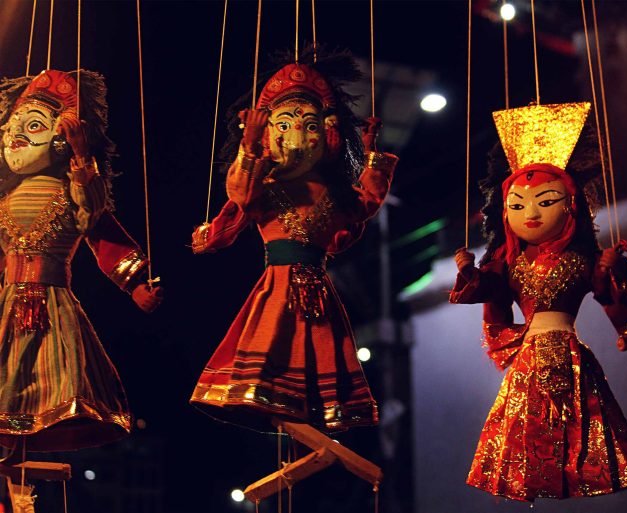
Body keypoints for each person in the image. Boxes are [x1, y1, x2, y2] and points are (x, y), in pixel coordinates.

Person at [451, 102, 627, 501]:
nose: (532, 214)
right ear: (503, 211)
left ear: (570, 205)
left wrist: (611, 268)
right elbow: (486, 292)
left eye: (546, 201)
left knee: (584, 426)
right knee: (525, 428)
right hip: (530, 356)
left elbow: (605, 288)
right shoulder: (507, 262)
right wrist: (469, 272)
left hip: (571, 353)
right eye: (519, 205)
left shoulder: (581, 259)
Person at [190, 50, 398, 431]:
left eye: (309, 125)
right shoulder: (264, 185)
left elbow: (363, 204)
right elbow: (240, 194)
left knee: (321, 353)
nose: (298, 138)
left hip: (319, 289)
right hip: (278, 285)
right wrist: (249, 145)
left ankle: (311, 421)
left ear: (328, 130)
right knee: (273, 348)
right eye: (284, 125)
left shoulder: (333, 193)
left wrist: (371, 158)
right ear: (270, 131)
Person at [0, 69, 162, 454]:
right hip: (6, 304)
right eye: (9, 129)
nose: (15, 137)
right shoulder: (4, 200)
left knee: (53, 379)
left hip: (53, 305)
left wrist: (136, 283)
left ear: (60, 138)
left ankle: (19, 444)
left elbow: (98, 222)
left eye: (34, 126)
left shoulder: (72, 188)